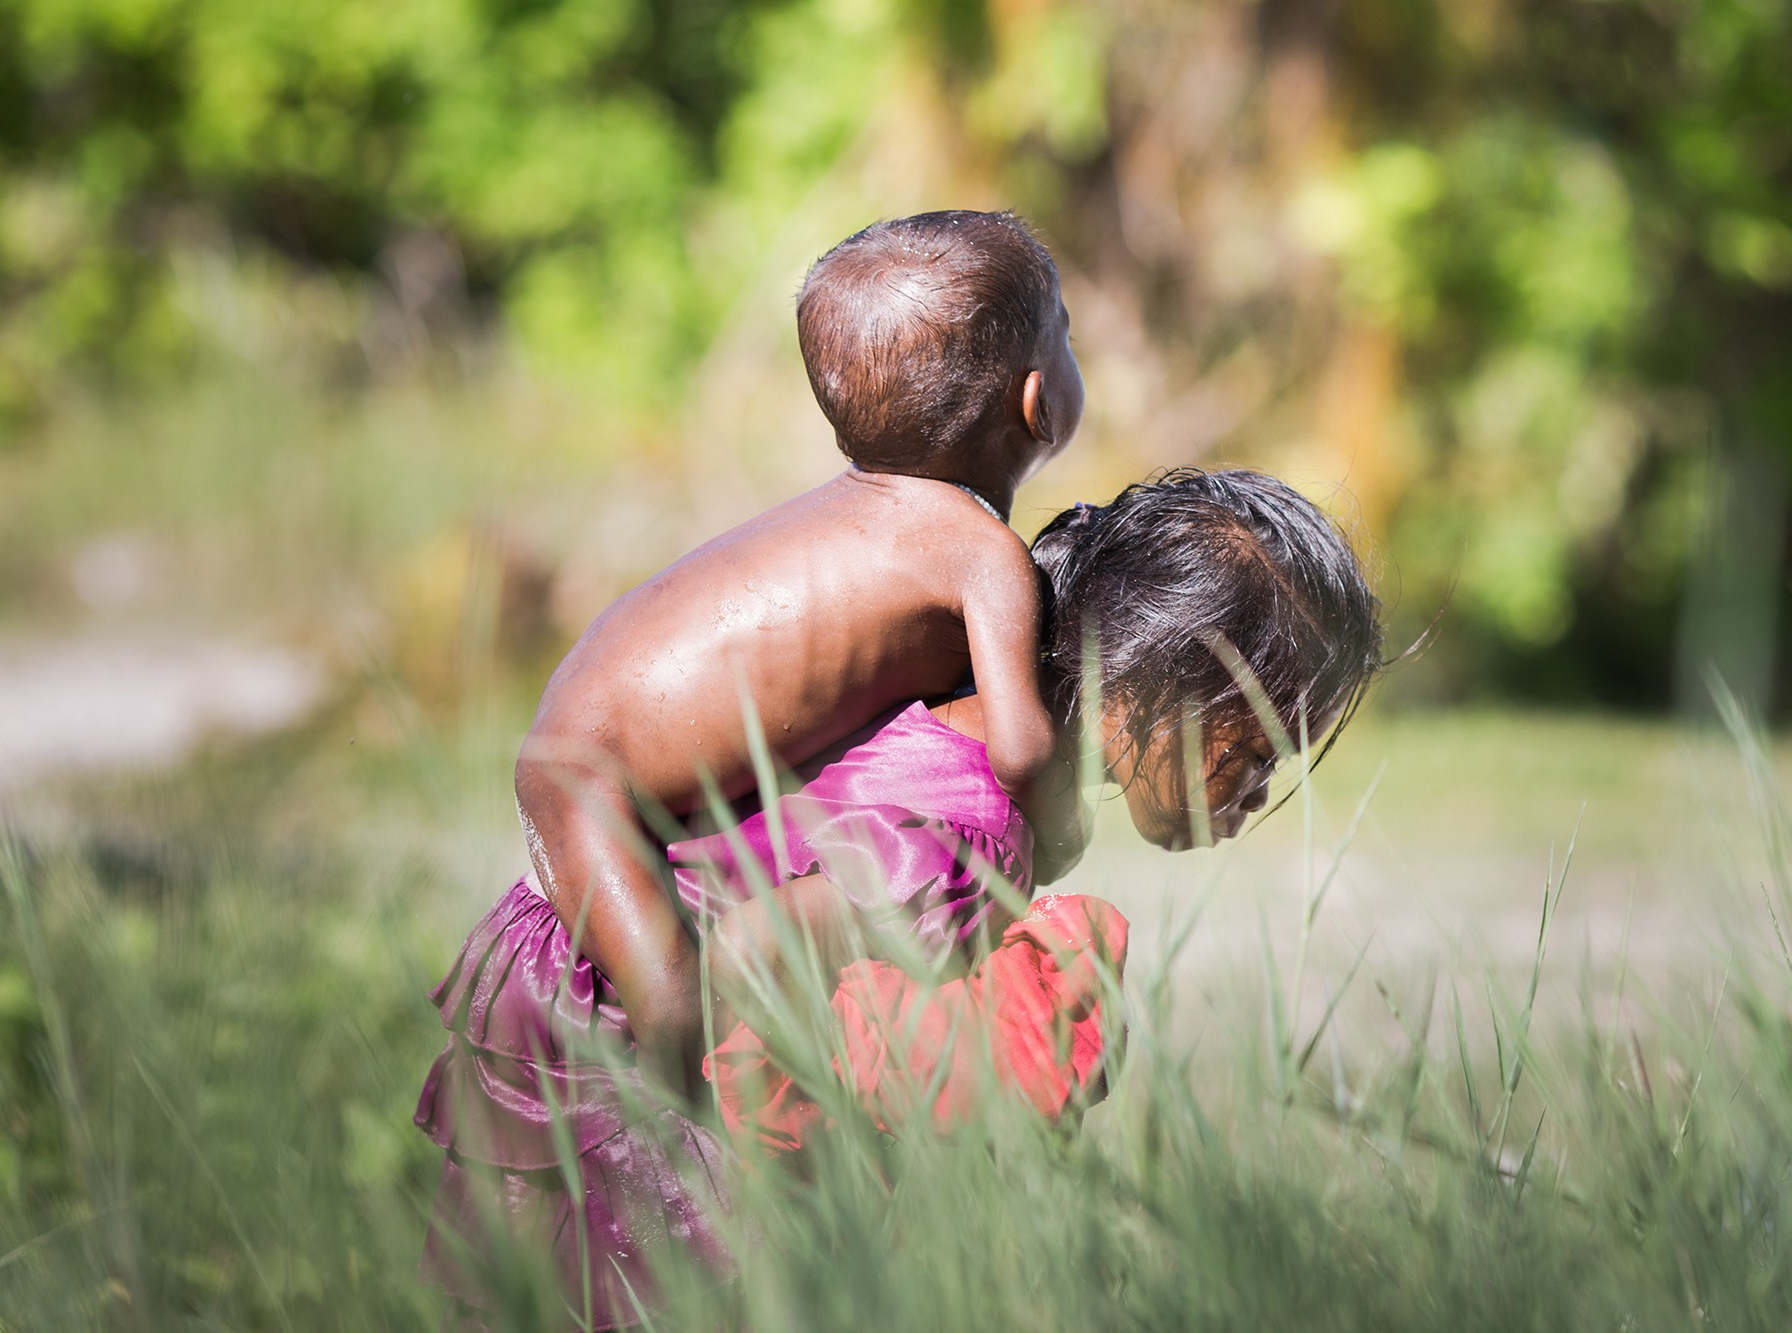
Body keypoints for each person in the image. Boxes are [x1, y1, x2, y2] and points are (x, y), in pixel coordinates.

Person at [414, 467, 1385, 1329]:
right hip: (629, 1047)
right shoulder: (966, 840)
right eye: (1252, 748)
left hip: (583, 977)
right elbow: (748, 958)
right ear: (1162, 681)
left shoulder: (952, 703)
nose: (1258, 791)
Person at [511, 210, 1087, 1111]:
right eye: (1067, 336)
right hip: (585, 778)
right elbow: (1019, 746)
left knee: (679, 1014)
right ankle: (678, 1190)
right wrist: (1063, 827)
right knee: (673, 1023)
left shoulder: (849, 516)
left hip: (578, 740)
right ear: (1038, 399)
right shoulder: (980, 551)